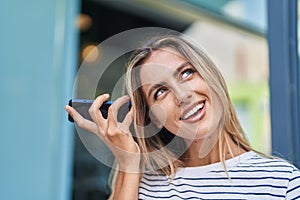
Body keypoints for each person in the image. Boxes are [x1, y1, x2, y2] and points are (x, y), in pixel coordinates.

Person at [65, 35, 300, 199]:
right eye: (160, 91)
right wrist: (128, 163)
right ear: (154, 119)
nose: (182, 95)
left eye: (187, 73)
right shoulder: (142, 185)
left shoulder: (282, 182)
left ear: (210, 77)